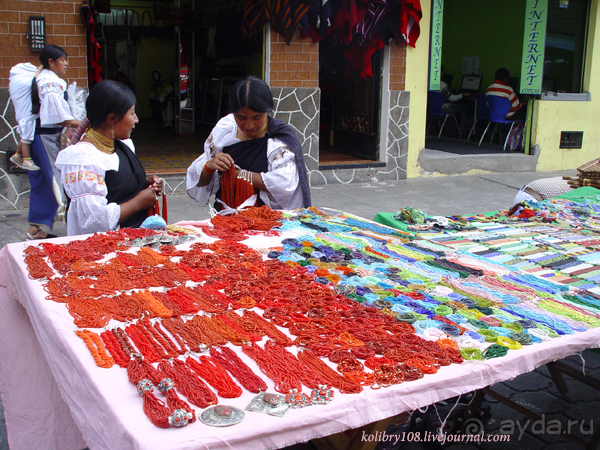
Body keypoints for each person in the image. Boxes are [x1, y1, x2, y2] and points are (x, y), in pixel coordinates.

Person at [186, 76, 311, 212]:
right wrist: (210, 166)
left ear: (268, 110)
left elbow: (284, 184)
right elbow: (202, 181)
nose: (249, 125)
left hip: (263, 221)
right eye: (241, 118)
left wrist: (240, 175)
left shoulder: (279, 140)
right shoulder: (225, 129)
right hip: (225, 219)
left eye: (256, 118)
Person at [56, 80, 163, 236]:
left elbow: (116, 189)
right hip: (108, 248)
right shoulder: (82, 159)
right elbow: (92, 222)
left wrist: (143, 186)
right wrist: (138, 202)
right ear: (112, 119)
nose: (136, 119)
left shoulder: (122, 145)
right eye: (132, 113)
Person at [26, 44, 81, 240]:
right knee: (53, 181)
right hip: (45, 137)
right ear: (51, 61)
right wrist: (85, 122)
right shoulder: (50, 82)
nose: (66, 64)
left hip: (43, 136)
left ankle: (36, 227)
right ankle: (40, 227)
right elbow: (57, 116)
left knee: (43, 180)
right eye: (63, 59)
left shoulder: (44, 79)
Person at [8, 63, 43, 171]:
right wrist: (40, 70)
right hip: (26, 115)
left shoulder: (14, 81)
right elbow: (34, 81)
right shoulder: (23, 81)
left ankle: (17, 154)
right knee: (26, 137)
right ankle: (27, 160)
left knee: (25, 134)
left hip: (21, 113)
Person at [439, 66, 470, 135]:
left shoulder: (428, 83)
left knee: (452, 107)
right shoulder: (442, 84)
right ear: (441, 72)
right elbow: (452, 99)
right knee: (463, 108)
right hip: (442, 107)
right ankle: (462, 132)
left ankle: (449, 130)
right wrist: (463, 94)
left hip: (432, 107)